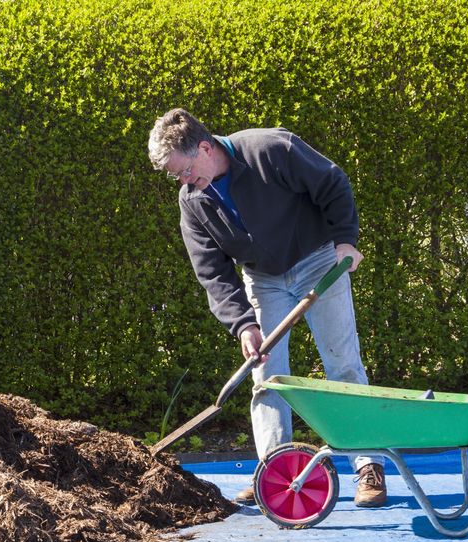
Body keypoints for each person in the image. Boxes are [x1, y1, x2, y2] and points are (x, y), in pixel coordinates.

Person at [147, 108, 386, 507]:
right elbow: (213, 272)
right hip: (263, 278)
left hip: (317, 261)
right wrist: (243, 324)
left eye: (184, 171)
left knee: (342, 364)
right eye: (176, 177)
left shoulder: (270, 149)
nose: (183, 182)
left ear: (204, 148)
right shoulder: (192, 200)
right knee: (266, 373)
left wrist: (345, 239)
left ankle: (368, 466)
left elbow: (331, 182)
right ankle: (276, 472)